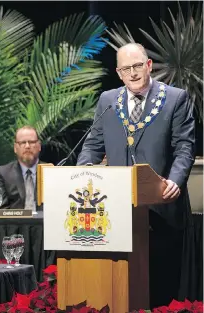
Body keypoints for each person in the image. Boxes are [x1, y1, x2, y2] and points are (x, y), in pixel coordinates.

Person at [77, 43, 195, 308]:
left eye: (137, 66)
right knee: (121, 290)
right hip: (117, 214)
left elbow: (184, 147)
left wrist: (174, 181)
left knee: (162, 291)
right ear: (118, 73)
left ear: (148, 65)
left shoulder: (176, 99)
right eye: (125, 69)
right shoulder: (108, 101)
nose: (132, 73)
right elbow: (93, 145)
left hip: (162, 208)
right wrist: (84, 173)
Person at [0, 126, 44, 211]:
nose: (27, 146)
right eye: (22, 143)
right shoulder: (2, 174)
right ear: (15, 148)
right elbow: (0, 210)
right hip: (14, 223)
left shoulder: (50, 172)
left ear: (39, 146)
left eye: (31, 142)